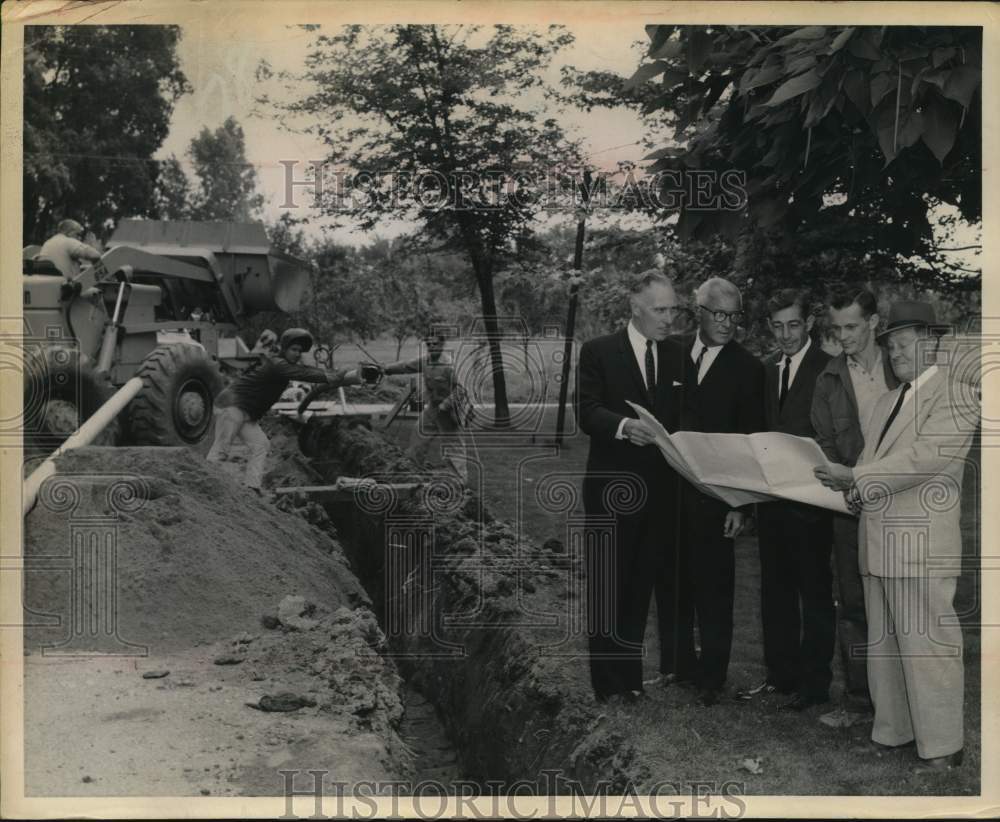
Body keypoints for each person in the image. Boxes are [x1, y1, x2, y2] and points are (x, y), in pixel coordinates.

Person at [815, 300, 975, 773]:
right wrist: (852, 485)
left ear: (933, 342)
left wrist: (857, 479)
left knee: (929, 645)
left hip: (922, 542)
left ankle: (943, 746)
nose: (896, 351)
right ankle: (894, 732)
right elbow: (872, 464)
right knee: (885, 645)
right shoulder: (887, 400)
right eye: (891, 344)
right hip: (879, 538)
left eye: (906, 342)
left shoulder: (957, 395)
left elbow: (925, 460)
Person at [576, 269, 687, 703]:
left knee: (641, 585)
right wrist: (623, 426)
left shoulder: (678, 355)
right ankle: (607, 686)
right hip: (611, 491)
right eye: (660, 310)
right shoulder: (598, 351)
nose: (668, 318)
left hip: (661, 494)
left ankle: (632, 681)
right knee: (609, 588)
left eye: (673, 309)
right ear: (634, 307)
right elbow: (585, 411)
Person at [661, 276, 765, 707]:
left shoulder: (749, 369)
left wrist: (741, 505)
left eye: (734, 315)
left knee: (714, 588)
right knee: (672, 583)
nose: (727, 323)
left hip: (719, 496)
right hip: (669, 492)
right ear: (698, 311)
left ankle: (711, 678)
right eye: (718, 314)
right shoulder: (671, 353)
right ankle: (679, 666)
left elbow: (752, 443)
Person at [737, 289, 834, 711]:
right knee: (774, 592)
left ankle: (814, 686)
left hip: (812, 505)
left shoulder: (829, 369)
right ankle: (781, 676)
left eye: (793, 324)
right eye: (777, 326)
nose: (786, 334)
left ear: (809, 323)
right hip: (771, 502)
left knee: (812, 594)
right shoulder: (766, 369)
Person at [810, 289, 898, 727]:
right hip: (851, 507)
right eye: (836, 328)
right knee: (855, 605)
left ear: (874, 324)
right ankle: (860, 702)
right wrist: (850, 490)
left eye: (851, 327)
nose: (842, 336)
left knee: (902, 604)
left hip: (901, 502)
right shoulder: (828, 379)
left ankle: (902, 705)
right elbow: (825, 445)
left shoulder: (901, 368)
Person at [207, 327, 369, 492]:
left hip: (246, 412)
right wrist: (331, 375)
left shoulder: (283, 365)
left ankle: (252, 487)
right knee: (221, 449)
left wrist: (333, 375)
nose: (297, 353)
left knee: (261, 445)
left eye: (300, 350)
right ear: (284, 349)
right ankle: (206, 486)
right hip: (232, 405)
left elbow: (305, 370)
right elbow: (302, 373)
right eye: (294, 349)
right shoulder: (278, 364)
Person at [382, 330, 473, 482]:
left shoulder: (449, 365)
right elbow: (405, 366)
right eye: (428, 344)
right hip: (433, 407)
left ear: (442, 344)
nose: (431, 346)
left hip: (450, 410)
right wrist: (386, 369)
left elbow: (461, 390)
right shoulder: (425, 361)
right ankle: (413, 472)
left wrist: (446, 405)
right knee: (418, 435)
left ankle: (459, 481)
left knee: (453, 446)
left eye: (435, 343)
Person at [37, 219, 102, 280]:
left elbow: (57, 265)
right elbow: (95, 255)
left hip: (48, 284)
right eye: (78, 234)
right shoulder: (68, 241)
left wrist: (81, 268)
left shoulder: (48, 242)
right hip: (64, 288)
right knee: (97, 290)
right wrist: (92, 244)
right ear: (69, 232)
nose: (79, 238)